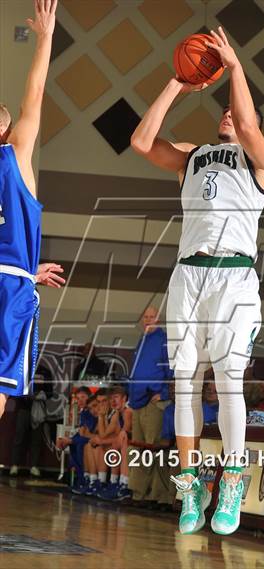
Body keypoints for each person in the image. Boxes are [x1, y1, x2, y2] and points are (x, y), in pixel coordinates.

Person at [131, 26, 264, 536]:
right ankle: (190, 481)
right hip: (188, 275)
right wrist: (177, 82)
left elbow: (249, 122)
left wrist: (235, 68)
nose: (227, 115)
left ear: (251, 123)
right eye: (223, 109)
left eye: (237, 113)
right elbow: (142, 142)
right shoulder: (193, 156)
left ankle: (232, 478)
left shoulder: (261, 160)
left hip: (233, 279)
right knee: (185, 385)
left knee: (229, 382)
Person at [0, 0, 65, 420]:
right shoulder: (16, 153)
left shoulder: (13, 152)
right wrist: (46, 38)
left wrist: (24, 266)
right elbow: (36, 95)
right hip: (10, 289)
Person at [127, 306, 172, 503]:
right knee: (139, 450)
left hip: (154, 402)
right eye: (145, 317)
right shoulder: (142, 340)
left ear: (158, 319)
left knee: (155, 449)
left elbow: (171, 371)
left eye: (151, 317)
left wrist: (162, 394)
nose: (148, 320)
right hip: (137, 401)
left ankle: (158, 496)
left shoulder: (164, 341)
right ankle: (139, 494)